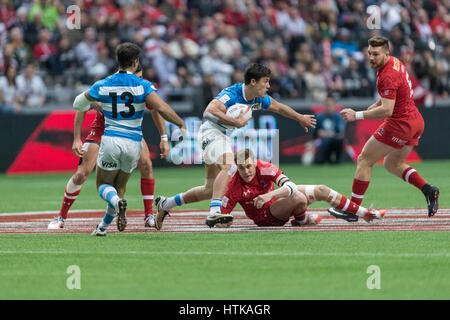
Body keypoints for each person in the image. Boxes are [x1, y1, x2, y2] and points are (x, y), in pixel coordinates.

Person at [154, 63, 316, 229]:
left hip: (223, 138)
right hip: (211, 133)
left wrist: (299, 118)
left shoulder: (259, 98)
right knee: (229, 165)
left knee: (210, 189)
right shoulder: (232, 94)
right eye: (265, 81)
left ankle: (166, 204)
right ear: (253, 82)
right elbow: (208, 112)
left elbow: (278, 107)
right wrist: (235, 122)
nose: (268, 85)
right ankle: (214, 212)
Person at [71, 42, 186, 236]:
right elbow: (162, 108)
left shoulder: (103, 84)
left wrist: (91, 102)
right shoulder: (143, 85)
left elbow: (78, 103)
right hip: (134, 143)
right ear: (135, 62)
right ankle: (103, 227)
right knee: (120, 187)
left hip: (111, 141)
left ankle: (116, 204)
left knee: (104, 186)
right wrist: (181, 124)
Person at [329, 36, 439, 221]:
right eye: (370, 53)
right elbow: (391, 95)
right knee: (392, 164)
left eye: (376, 54)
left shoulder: (387, 75)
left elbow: (387, 109)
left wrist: (357, 115)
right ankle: (428, 190)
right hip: (415, 121)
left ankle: (352, 211)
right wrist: (373, 106)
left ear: (386, 53)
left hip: (400, 124)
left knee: (364, 159)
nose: (371, 57)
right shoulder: (394, 62)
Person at [48, 65, 170, 230]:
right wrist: (76, 139)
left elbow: (156, 108)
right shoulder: (107, 85)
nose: (140, 79)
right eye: (138, 76)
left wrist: (163, 137)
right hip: (101, 131)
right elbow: (82, 106)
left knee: (147, 165)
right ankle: (61, 216)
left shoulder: (139, 87)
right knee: (81, 174)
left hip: (129, 132)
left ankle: (148, 215)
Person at [220, 149, 385, 227]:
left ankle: (364, 214)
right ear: (237, 167)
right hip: (265, 217)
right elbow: (222, 216)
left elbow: (290, 185)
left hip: (274, 199)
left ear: (255, 162)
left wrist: (269, 196)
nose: (246, 171)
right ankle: (303, 220)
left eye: (249, 166)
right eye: (242, 168)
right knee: (299, 198)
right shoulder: (234, 186)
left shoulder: (265, 167)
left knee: (322, 189)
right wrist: (223, 221)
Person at [313, 95, 346, 164]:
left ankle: (337, 160)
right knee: (318, 162)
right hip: (323, 144)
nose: (328, 107)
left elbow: (340, 133)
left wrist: (326, 133)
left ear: (334, 105)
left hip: (334, 143)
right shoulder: (319, 117)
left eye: (330, 105)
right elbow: (315, 133)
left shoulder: (338, 117)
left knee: (339, 141)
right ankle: (327, 159)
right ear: (324, 105)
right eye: (327, 105)